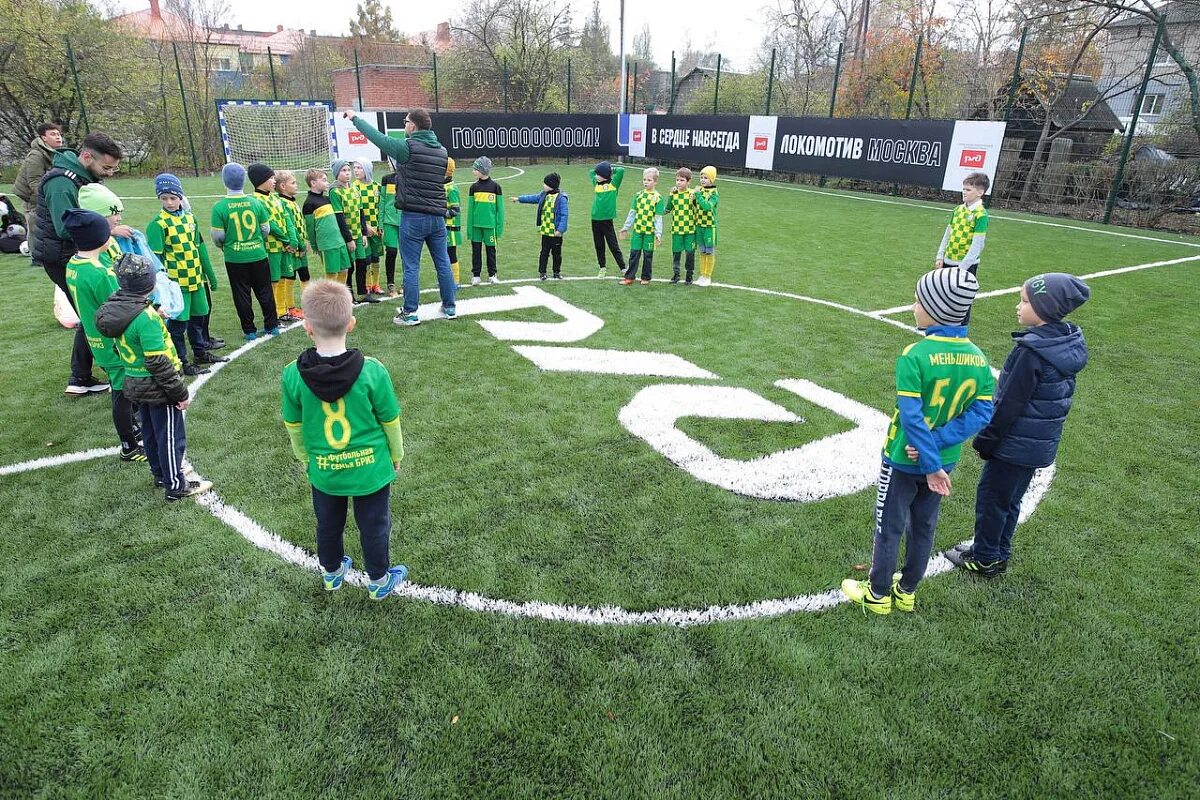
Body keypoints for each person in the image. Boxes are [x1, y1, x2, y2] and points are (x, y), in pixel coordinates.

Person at [841, 267, 995, 614]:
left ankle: (878, 595)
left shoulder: (915, 354)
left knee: (889, 525)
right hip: (945, 459)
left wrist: (928, 462)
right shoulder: (979, 359)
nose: (913, 306)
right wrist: (939, 447)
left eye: (918, 300)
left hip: (903, 459)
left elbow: (910, 417)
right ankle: (907, 590)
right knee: (924, 526)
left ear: (937, 309)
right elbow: (982, 413)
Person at [947, 273, 1091, 577]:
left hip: (1014, 444)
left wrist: (987, 440)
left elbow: (1009, 404)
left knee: (992, 500)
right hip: (1037, 444)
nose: (1018, 307)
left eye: (1025, 301)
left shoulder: (1031, 352)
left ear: (1046, 308)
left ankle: (985, 557)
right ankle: (997, 552)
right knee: (1009, 500)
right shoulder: (1064, 341)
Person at [281, 280, 408, 600]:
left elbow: (293, 424)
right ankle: (378, 581)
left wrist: (305, 457)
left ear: (307, 327)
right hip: (372, 469)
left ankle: (332, 573)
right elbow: (390, 420)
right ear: (351, 322)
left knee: (328, 523)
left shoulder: (292, 374)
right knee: (374, 525)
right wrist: (397, 454)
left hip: (324, 469)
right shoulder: (373, 371)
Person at [96, 253, 213, 502]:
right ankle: (175, 484)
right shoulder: (145, 318)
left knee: (150, 432)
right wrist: (179, 393)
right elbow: (157, 361)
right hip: (158, 386)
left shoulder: (119, 310)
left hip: (134, 381)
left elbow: (120, 347)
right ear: (150, 283)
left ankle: (161, 474)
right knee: (170, 435)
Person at [345, 108, 457, 327]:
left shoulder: (408, 148)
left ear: (412, 126)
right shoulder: (442, 151)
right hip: (437, 218)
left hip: (413, 217)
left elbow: (378, 138)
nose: (404, 125)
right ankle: (450, 306)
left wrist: (354, 118)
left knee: (411, 266)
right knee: (443, 262)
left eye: (405, 122)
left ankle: (410, 313)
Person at [33, 131, 124, 395]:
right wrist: (107, 230)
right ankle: (110, 371)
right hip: (62, 257)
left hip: (75, 253)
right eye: (106, 167)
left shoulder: (80, 176)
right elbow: (66, 226)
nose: (109, 173)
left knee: (91, 314)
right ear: (86, 157)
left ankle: (80, 377)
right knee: (96, 313)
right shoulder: (61, 183)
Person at [60, 208, 145, 462]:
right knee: (122, 392)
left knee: (122, 388)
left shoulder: (75, 264)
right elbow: (121, 307)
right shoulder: (100, 273)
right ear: (99, 237)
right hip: (113, 343)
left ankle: (133, 429)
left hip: (96, 339)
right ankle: (129, 445)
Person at [146, 173, 229, 375]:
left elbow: (199, 248)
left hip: (197, 280)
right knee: (177, 325)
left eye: (173, 198)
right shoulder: (158, 224)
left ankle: (200, 352)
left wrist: (210, 275)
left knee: (199, 318)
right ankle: (182, 361)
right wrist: (158, 288)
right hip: (177, 285)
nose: (169, 202)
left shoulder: (191, 219)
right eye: (164, 198)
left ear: (181, 197)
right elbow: (154, 260)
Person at [210, 162, 279, 341]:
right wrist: (255, 242)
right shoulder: (255, 203)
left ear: (225, 182)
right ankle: (272, 326)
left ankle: (249, 331)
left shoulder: (219, 207)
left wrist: (226, 245)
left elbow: (218, 236)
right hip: (258, 254)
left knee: (241, 294)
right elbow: (266, 229)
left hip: (234, 257)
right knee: (265, 291)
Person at [247, 162, 295, 323]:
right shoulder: (256, 200)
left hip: (284, 246)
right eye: (270, 178)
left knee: (283, 277)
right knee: (273, 280)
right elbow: (270, 224)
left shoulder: (275, 197)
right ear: (261, 180)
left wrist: (291, 240)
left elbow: (286, 218)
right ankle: (274, 312)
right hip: (271, 247)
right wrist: (285, 239)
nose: (274, 180)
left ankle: (282, 310)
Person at [13, 122, 63, 256]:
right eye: (53, 134)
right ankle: (36, 257)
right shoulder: (36, 155)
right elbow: (34, 182)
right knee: (35, 226)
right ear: (43, 138)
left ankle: (48, 254)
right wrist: (46, 199)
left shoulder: (55, 153)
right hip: (31, 197)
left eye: (58, 134)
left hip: (43, 196)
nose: (58, 137)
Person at [330, 159, 376, 303]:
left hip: (358, 234)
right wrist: (349, 239)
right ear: (337, 173)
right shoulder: (335, 192)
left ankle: (364, 293)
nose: (348, 173)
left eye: (348, 170)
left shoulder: (355, 189)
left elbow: (361, 213)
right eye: (344, 171)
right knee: (349, 267)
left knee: (362, 263)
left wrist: (363, 233)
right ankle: (349, 296)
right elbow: (340, 218)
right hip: (346, 237)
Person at [302, 168, 353, 286]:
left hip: (339, 241)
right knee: (331, 273)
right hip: (327, 244)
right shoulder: (309, 203)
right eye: (324, 180)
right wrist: (315, 245)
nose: (327, 182)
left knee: (344, 270)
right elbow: (310, 228)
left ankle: (340, 297)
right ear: (313, 183)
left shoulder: (327, 199)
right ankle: (329, 300)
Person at [513, 172, 568, 280]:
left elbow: (564, 215)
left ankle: (556, 272)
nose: (543, 185)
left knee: (557, 254)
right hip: (545, 231)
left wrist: (560, 229)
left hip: (556, 233)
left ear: (551, 185)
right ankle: (542, 272)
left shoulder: (561, 198)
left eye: (545, 184)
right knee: (544, 252)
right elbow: (532, 198)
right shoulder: (544, 195)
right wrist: (519, 199)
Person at [936, 172, 989, 276]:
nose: (964, 192)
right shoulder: (957, 210)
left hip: (966, 267)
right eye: (963, 189)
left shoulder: (981, 215)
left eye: (968, 190)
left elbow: (977, 245)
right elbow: (947, 235)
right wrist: (940, 256)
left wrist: (963, 267)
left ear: (980, 193)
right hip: (947, 262)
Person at [618, 167, 665, 286]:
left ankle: (646, 277)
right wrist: (625, 228)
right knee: (634, 254)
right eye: (644, 179)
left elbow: (658, 219)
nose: (646, 182)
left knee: (648, 255)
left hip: (650, 233)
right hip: (637, 231)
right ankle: (629, 277)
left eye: (649, 180)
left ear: (655, 182)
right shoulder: (638, 196)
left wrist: (658, 234)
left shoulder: (658, 198)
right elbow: (632, 213)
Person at [275, 170, 310, 319]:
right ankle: (288, 308)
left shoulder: (292, 201)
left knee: (304, 275)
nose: (296, 185)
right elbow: (291, 227)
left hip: (301, 246)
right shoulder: (282, 203)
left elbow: (300, 224)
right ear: (283, 186)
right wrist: (300, 244)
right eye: (293, 182)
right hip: (293, 248)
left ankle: (307, 306)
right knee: (289, 277)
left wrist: (305, 241)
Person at [466, 156, 505, 286]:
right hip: (476, 227)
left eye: (475, 169)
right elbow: (470, 210)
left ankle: (492, 274)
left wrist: (498, 228)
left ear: (482, 170)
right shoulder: (473, 188)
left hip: (490, 226)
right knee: (476, 251)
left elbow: (501, 210)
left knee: (491, 251)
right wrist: (469, 229)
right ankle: (476, 275)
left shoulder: (496, 187)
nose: (473, 171)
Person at [590, 160, 626, 278]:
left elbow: (621, 170)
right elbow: (591, 172)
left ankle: (623, 268)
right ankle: (602, 267)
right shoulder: (596, 183)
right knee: (599, 244)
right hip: (595, 219)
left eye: (598, 174)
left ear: (605, 175)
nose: (595, 176)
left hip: (607, 221)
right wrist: (601, 171)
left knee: (613, 245)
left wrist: (610, 170)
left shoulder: (614, 184)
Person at [354, 159, 385, 296]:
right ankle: (366, 285)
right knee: (365, 259)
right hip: (363, 230)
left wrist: (380, 226)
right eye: (354, 167)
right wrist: (365, 227)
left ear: (367, 169)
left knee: (375, 257)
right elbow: (356, 211)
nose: (356, 171)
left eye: (359, 168)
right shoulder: (354, 188)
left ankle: (375, 285)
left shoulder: (377, 187)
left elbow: (381, 208)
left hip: (376, 229)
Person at [666, 167, 698, 285]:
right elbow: (668, 208)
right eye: (677, 180)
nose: (679, 182)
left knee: (690, 253)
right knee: (676, 253)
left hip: (690, 230)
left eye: (682, 180)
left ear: (689, 182)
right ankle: (676, 274)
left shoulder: (692, 194)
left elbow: (698, 208)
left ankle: (689, 275)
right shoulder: (673, 194)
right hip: (676, 230)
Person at [694, 166, 720, 287]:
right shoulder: (700, 190)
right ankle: (702, 274)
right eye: (701, 177)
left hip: (709, 227)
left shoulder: (714, 193)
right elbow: (695, 204)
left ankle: (708, 276)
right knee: (702, 251)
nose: (703, 180)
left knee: (709, 251)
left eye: (706, 178)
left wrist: (698, 195)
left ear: (712, 179)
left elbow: (706, 206)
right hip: (699, 225)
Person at [378, 164, 401, 296]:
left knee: (407, 254)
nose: (388, 163)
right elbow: (382, 202)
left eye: (390, 160)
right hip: (389, 222)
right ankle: (390, 284)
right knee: (391, 252)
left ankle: (406, 284)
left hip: (405, 222)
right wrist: (380, 223)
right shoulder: (386, 179)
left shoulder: (408, 177)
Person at [444, 158, 462, 288]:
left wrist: (440, 212)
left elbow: (455, 210)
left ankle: (455, 281)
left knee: (451, 254)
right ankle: (447, 279)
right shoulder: (443, 186)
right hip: (443, 227)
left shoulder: (451, 189)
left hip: (451, 228)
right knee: (443, 254)